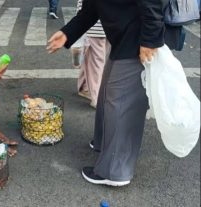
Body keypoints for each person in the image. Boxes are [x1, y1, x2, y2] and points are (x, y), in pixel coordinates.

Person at [47, 0, 167, 186]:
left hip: (138, 38)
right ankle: (104, 144)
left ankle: (115, 171)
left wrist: (149, 41)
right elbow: (91, 10)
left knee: (121, 102)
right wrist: (66, 34)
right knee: (106, 94)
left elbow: (152, 3)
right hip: (121, 36)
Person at [75, 0, 108, 109]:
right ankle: (96, 97)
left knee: (92, 60)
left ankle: (84, 87)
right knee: (97, 63)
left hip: (104, 25)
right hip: (96, 25)